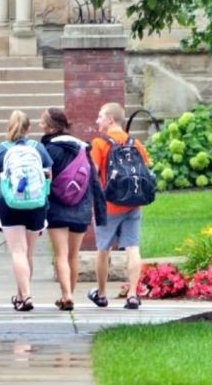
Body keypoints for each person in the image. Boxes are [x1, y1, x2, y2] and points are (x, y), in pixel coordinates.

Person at [0, 110, 53, 311]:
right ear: (29, 128)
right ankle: (22, 296)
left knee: (18, 252)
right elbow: (49, 177)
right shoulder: (38, 148)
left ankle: (26, 295)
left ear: (9, 127)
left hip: (10, 204)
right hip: (36, 204)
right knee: (28, 253)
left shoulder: (0, 150)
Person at [39, 108, 106, 311]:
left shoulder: (47, 149)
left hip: (57, 207)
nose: (40, 125)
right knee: (73, 255)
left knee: (60, 254)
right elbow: (94, 181)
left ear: (50, 127)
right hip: (81, 207)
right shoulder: (83, 148)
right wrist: (99, 211)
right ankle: (69, 295)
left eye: (42, 122)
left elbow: (44, 180)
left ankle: (66, 295)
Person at [88, 102, 150, 310]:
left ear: (110, 119)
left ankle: (101, 294)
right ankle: (132, 294)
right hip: (133, 203)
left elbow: (92, 174)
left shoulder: (99, 143)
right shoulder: (135, 142)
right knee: (133, 248)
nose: (97, 120)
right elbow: (145, 169)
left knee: (103, 249)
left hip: (108, 205)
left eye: (100, 116)